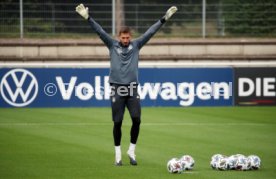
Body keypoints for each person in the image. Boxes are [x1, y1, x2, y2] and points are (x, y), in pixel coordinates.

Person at [76, 3, 177, 166]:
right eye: (122, 37)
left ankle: (131, 150)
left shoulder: (136, 45)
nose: (125, 40)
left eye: (127, 37)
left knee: (137, 119)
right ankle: (118, 155)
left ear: (130, 37)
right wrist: (88, 18)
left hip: (132, 88)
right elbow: (100, 31)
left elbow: (150, 32)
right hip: (116, 88)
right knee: (118, 122)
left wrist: (164, 19)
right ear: (119, 37)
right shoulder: (112, 44)